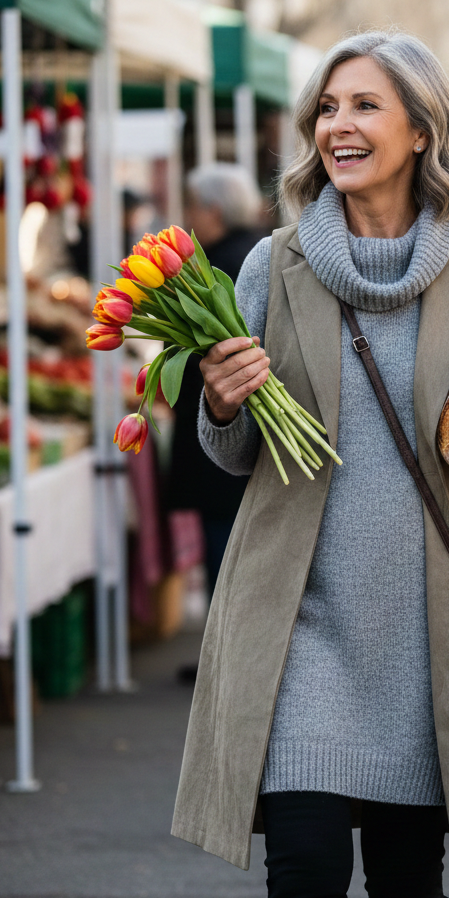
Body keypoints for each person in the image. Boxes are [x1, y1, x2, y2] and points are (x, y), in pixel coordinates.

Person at [171, 31, 449, 898]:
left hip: (430, 629)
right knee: (303, 873)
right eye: (327, 108)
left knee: (406, 880)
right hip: (300, 625)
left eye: (362, 106)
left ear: (420, 128)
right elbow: (232, 453)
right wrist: (221, 403)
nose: (338, 126)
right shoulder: (275, 267)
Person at [165, 163, 269, 596]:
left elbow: (202, 370)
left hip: (225, 450)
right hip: (256, 445)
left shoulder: (214, 273)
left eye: (192, 207)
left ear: (213, 211)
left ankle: (223, 660)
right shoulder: (262, 254)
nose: (188, 218)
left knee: (227, 566)